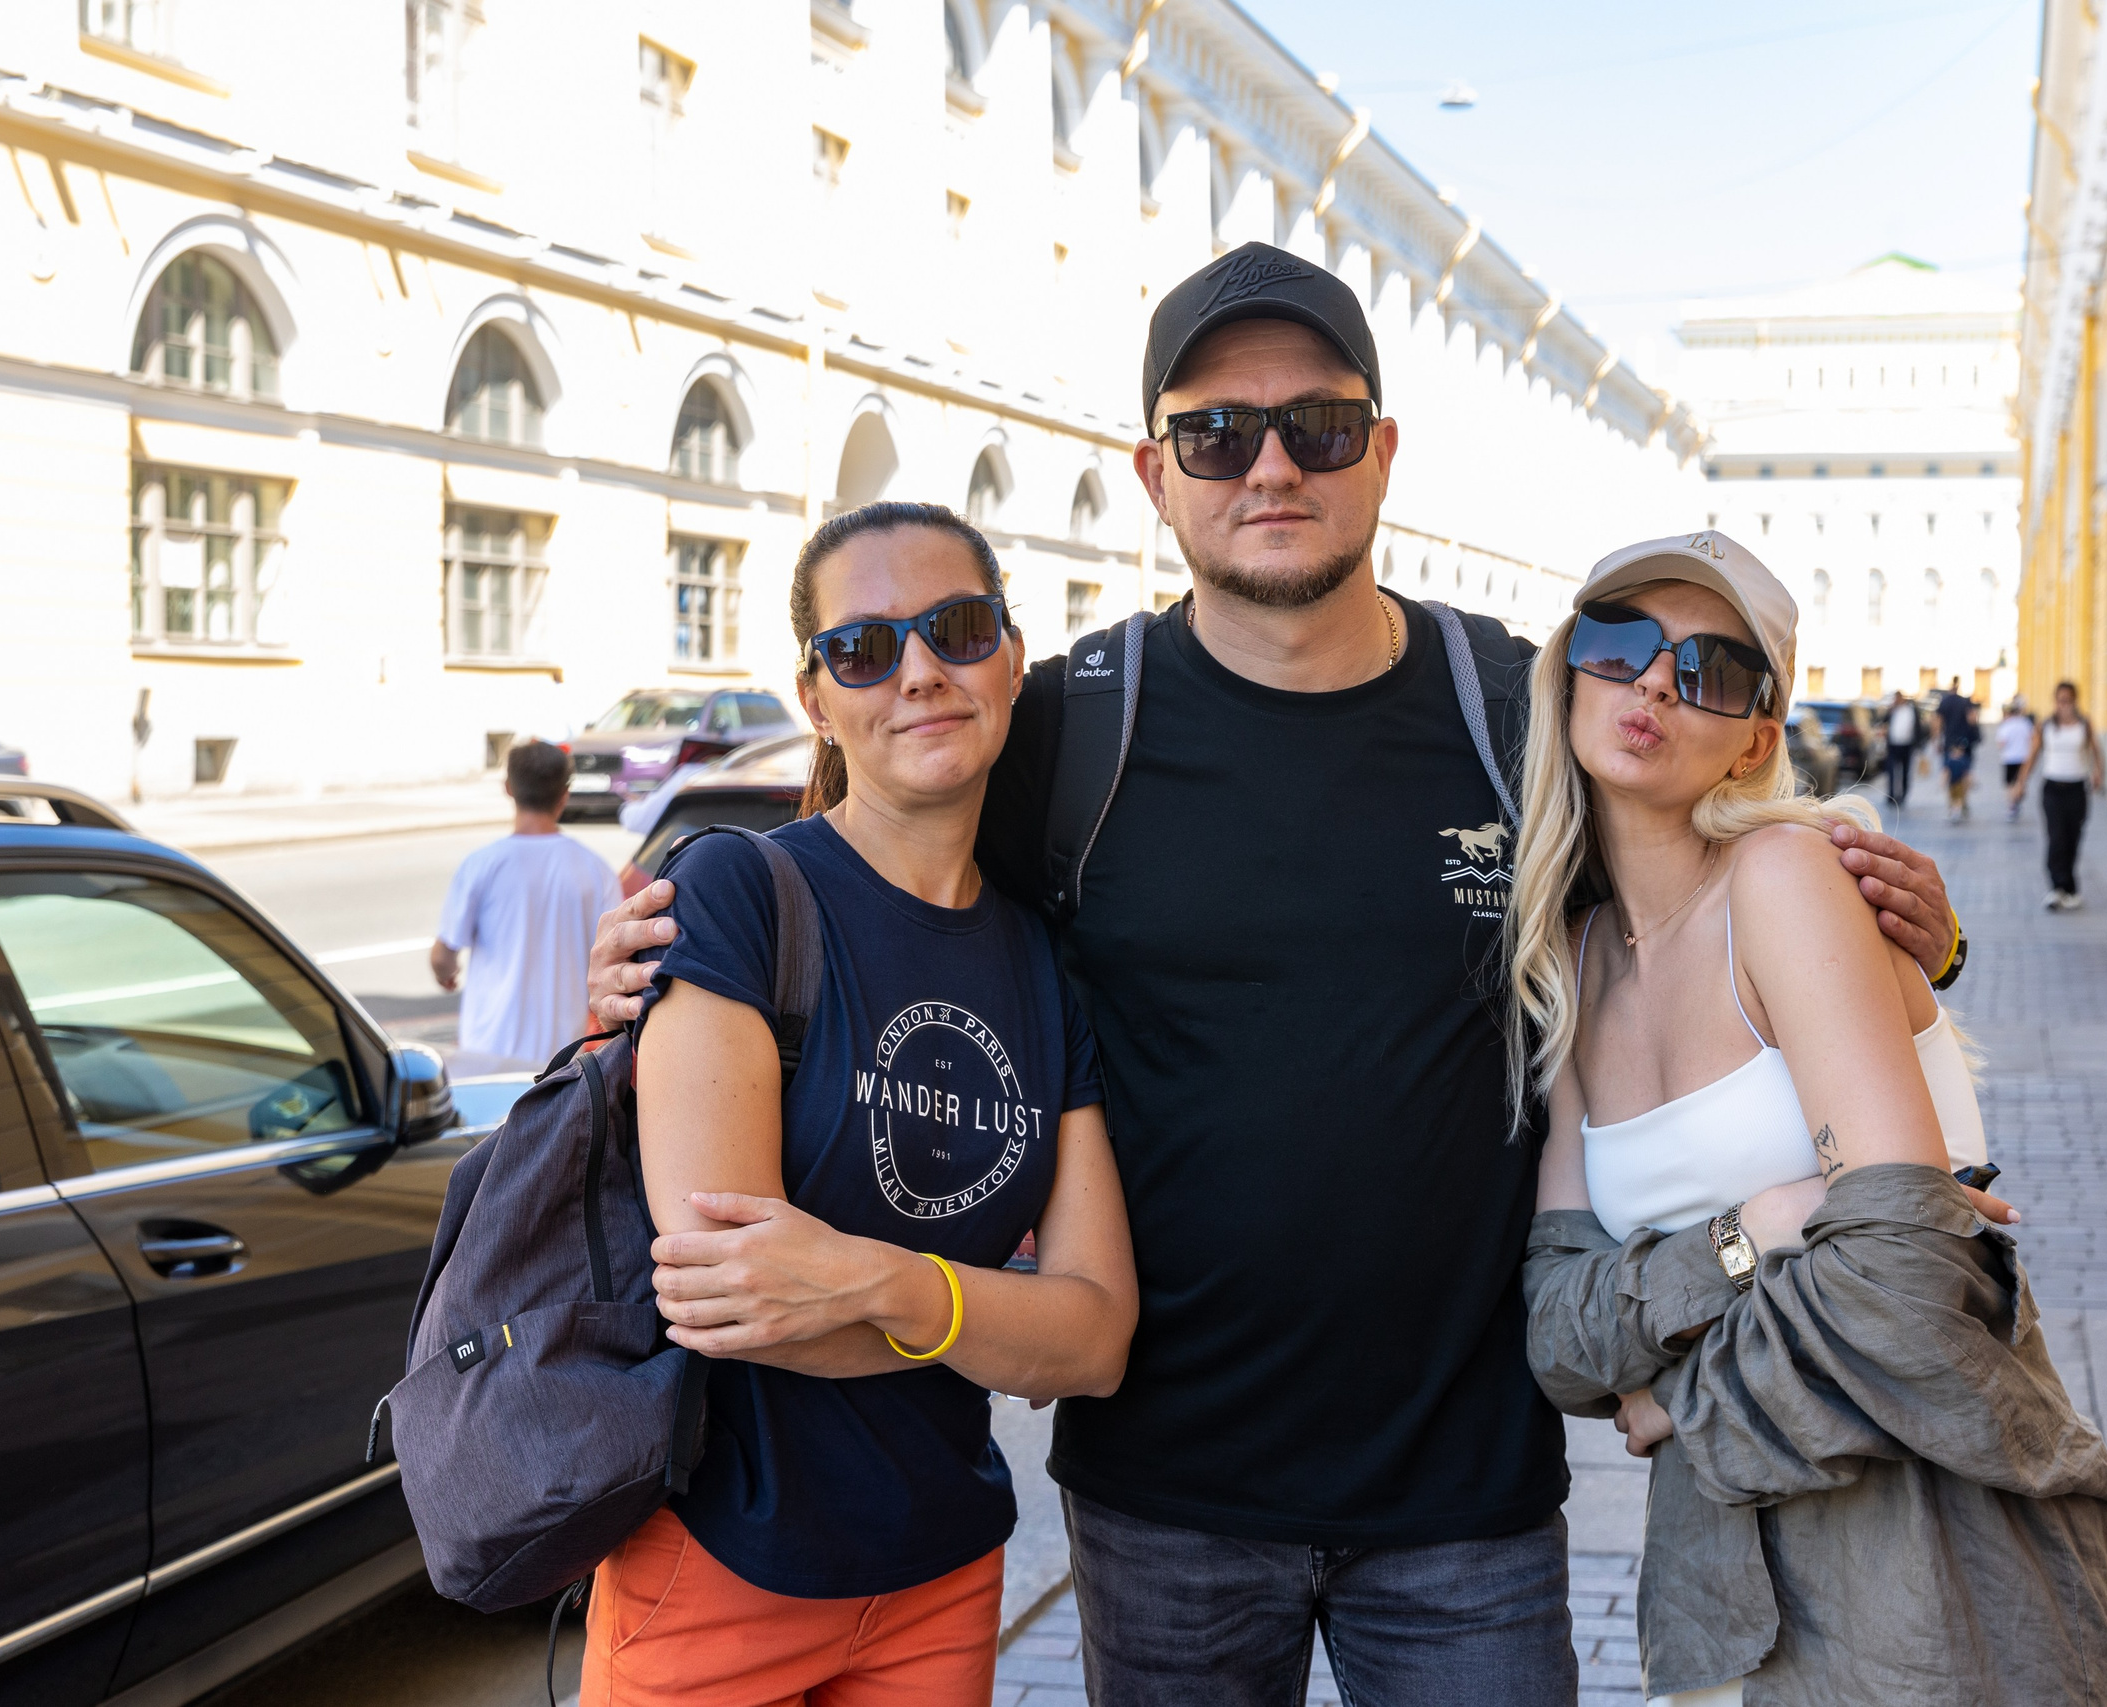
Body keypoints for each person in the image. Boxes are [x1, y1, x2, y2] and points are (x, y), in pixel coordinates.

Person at [586, 246, 1964, 1704]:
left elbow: (1710, 887)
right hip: (1165, 1498)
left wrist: (1922, 942)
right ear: (1154, 471)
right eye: (1216, 432)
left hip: (1465, 1498)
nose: (1268, 466)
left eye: (1315, 426)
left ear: (1379, 455)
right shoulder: (1069, 727)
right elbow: (871, 861)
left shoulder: (1510, 703)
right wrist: (654, 960)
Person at [1510, 535, 2107, 1705]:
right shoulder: (1577, 964)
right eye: (1620, 643)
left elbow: (1901, 1283)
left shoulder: (1785, 880)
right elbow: (1558, 1331)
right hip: (1715, 1604)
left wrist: (1672, 1397)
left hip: (1924, 1579)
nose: (1653, 683)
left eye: (1712, 670)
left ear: (1756, 734)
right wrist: (1762, 1222)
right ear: (1567, 669)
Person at [587, 501, 1139, 1703]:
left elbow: (1095, 1338)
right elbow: (735, 1300)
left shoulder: (1045, 963)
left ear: (1011, 659)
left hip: (941, 1573)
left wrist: (868, 1280)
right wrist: (987, 1320)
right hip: (721, 1566)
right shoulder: (741, 894)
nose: (921, 672)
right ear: (816, 697)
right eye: (865, 648)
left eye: (955, 627)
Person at [428, 739, 621, 1070]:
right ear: (565, 794)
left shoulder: (481, 864)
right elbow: (612, 956)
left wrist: (446, 974)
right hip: (560, 1058)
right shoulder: (596, 870)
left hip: (484, 1050)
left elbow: (443, 955)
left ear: (508, 788)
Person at [2010, 679, 2104, 911]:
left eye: (2068, 701)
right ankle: (2057, 888)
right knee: (2056, 837)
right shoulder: (2046, 726)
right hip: (2052, 789)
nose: (2064, 705)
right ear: (2055, 701)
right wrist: (2021, 783)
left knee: (2073, 838)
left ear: (2074, 701)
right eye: (2060, 700)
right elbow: (2032, 755)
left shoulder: (2085, 725)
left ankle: (2071, 889)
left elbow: (2096, 751)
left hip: (2077, 789)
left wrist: (2098, 772)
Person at [1935, 674, 1979, 822]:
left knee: (1951, 774)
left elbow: (1938, 722)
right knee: (1964, 772)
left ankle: (1954, 803)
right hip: (1965, 743)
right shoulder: (1965, 701)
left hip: (1950, 743)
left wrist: (1936, 740)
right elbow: (1973, 719)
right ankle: (1962, 801)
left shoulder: (1945, 701)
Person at [1997, 696, 2036, 821]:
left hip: (2009, 758)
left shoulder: (2005, 725)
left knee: (2009, 784)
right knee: (2020, 782)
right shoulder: (2026, 723)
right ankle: (2017, 799)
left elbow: (2001, 743)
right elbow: (2032, 738)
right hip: (2023, 757)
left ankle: (2012, 805)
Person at [1880, 688, 1918, 805]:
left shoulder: (1911, 710)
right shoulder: (1892, 710)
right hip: (1893, 744)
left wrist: (1918, 744)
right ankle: (1891, 795)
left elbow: (1917, 727)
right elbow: (1883, 722)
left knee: (1905, 772)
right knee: (1891, 771)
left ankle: (1903, 795)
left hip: (1906, 745)